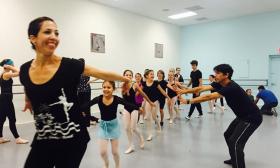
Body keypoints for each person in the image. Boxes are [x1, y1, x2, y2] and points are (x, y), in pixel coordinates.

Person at [20, 16, 130, 168]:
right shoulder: (24, 69)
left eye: (56, 33)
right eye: (47, 32)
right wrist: (27, 99)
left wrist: (126, 79)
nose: (54, 37)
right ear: (33, 38)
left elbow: (101, 73)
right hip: (43, 137)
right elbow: (27, 85)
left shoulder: (69, 65)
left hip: (72, 139)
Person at [178, 64, 263, 168]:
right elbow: (202, 88)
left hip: (252, 118)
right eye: (215, 73)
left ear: (226, 75)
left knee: (235, 142)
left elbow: (209, 96)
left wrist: (188, 101)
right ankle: (234, 158)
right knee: (228, 135)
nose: (215, 75)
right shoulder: (221, 83)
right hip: (242, 116)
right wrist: (185, 91)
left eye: (218, 73)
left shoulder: (232, 87)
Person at [82, 81, 140, 168]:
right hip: (103, 127)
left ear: (113, 89)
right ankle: (106, 164)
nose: (106, 89)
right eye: (104, 87)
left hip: (114, 126)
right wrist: (79, 111)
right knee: (103, 152)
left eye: (108, 87)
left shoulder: (116, 99)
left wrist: (138, 108)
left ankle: (117, 166)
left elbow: (128, 104)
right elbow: (87, 105)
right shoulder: (99, 98)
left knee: (115, 152)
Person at [121, 70, 154, 154]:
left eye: (130, 75)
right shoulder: (122, 85)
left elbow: (143, 93)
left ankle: (141, 138)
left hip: (135, 108)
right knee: (126, 128)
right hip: (126, 108)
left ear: (132, 77)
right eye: (126, 75)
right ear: (124, 75)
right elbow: (124, 98)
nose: (128, 76)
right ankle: (131, 145)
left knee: (133, 128)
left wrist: (150, 102)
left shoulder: (134, 84)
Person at [0, 59, 29, 144]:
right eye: (12, 64)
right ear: (8, 65)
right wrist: (10, 67)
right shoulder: (7, 74)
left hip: (3, 99)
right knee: (12, 119)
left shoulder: (2, 74)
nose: (13, 65)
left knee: (1, 119)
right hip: (6, 100)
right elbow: (20, 72)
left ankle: (0, 138)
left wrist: (9, 67)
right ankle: (17, 139)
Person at [142, 69, 170, 141]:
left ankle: (158, 125)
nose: (153, 75)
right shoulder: (144, 84)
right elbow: (141, 92)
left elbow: (162, 91)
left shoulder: (156, 83)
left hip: (155, 102)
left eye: (153, 74)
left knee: (154, 117)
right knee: (148, 117)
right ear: (146, 76)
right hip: (148, 102)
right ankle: (150, 134)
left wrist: (168, 97)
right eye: (151, 74)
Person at [77, 58, 99, 126]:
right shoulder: (77, 71)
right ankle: (84, 120)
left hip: (86, 91)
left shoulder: (87, 70)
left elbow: (98, 76)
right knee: (80, 106)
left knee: (86, 106)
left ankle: (87, 122)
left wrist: (90, 81)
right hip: (80, 91)